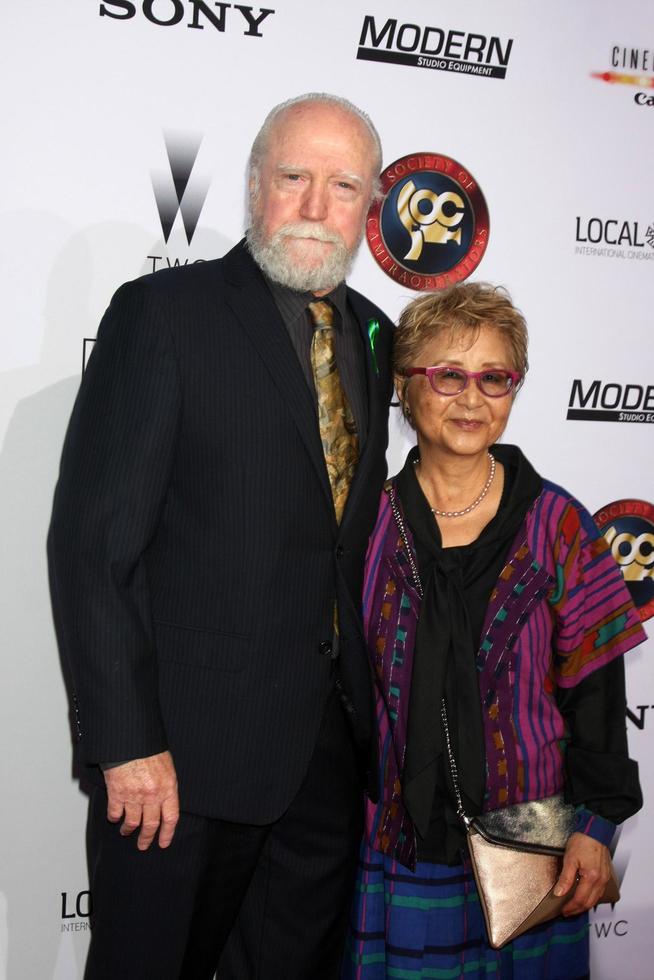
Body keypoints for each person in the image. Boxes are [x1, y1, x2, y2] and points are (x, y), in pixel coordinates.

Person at [48, 93, 394, 980]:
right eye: (295, 178)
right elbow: (95, 548)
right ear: (253, 186)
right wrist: (126, 743)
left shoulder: (375, 337)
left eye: (343, 185)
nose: (317, 207)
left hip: (322, 763)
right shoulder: (164, 314)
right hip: (180, 765)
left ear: (370, 206)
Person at [344, 282, 645, 979]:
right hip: (400, 851)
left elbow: (596, 702)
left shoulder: (559, 525)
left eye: (494, 377)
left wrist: (597, 831)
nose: (471, 398)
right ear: (404, 386)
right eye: (448, 375)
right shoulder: (366, 527)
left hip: (534, 855)